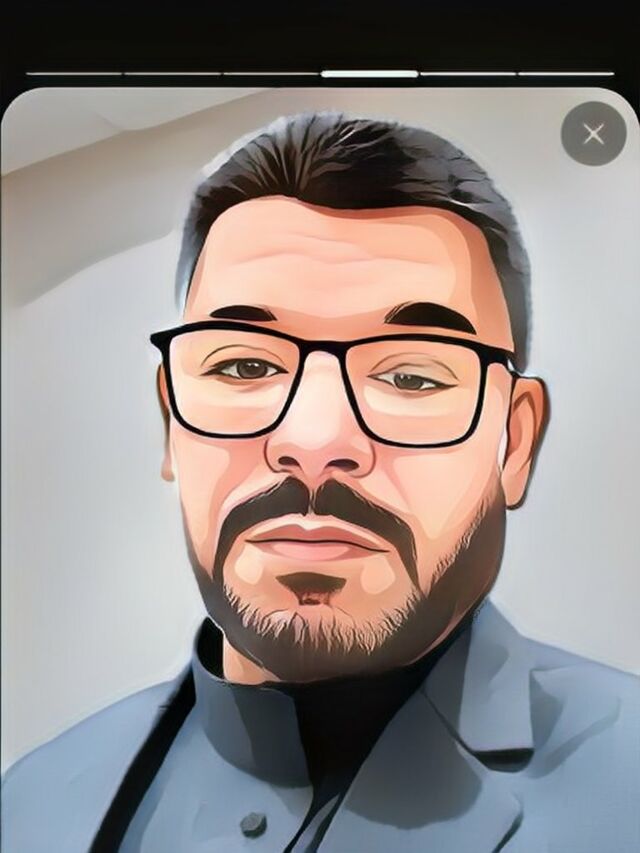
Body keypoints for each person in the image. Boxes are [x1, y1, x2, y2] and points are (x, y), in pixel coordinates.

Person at [3, 111, 638, 853]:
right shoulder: (30, 801)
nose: (312, 443)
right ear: (172, 421)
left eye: (410, 375)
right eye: (244, 365)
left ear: (515, 443)